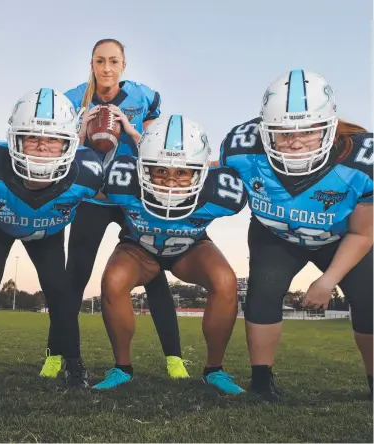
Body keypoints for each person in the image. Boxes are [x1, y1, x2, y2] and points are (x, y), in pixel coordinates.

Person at [220, 69, 373, 402]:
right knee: (262, 293)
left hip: (339, 237)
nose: (294, 141)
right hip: (274, 235)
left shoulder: (360, 161)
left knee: (370, 300)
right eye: (283, 133)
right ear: (265, 130)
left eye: (308, 131)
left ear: (329, 127)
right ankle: (261, 381)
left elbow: (363, 234)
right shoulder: (241, 150)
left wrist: (327, 281)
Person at [0, 88, 103, 389]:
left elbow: (126, 200)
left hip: (47, 232)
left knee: (60, 291)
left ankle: (73, 363)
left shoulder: (88, 173)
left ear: (69, 143)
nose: (43, 147)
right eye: (33, 137)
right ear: (15, 139)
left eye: (53, 139)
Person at [53, 38, 186, 380]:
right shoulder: (73, 99)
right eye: (100, 61)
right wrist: (83, 131)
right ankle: (59, 355)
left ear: (123, 65)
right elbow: (61, 152)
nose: (107, 68)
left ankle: (174, 359)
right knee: (75, 277)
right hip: (92, 198)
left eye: (114, 61)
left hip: (131, 198)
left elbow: (156, 150)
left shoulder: (143, 97)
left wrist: (129, 128)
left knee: (154, 275)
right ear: (92, 64)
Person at [93, 114, 247, 394]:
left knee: (225, 280)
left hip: (189, 248)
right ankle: (122, 367)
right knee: (113, 279)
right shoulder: (122, 181)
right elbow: (81, 187)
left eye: (182, 172)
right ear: (143, 169)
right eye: (160, 171)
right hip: (140, 248)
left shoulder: (221, 193)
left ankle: (215, 370)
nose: (170, 182)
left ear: (200, 172)